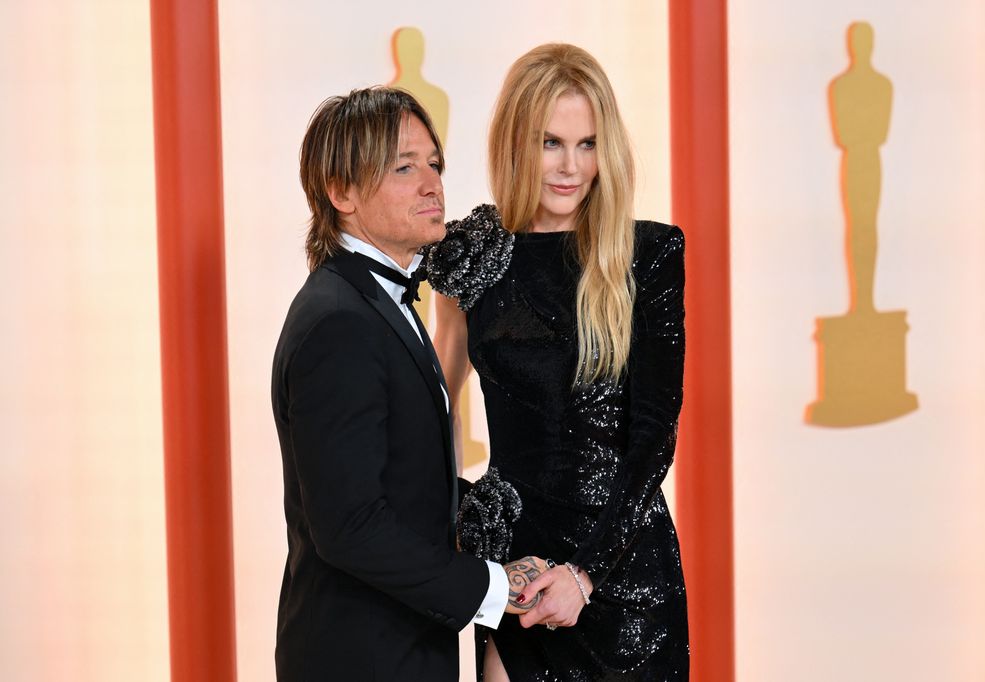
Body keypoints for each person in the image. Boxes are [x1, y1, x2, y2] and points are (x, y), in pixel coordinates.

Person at [427, 44, 690, 680]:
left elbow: (654, 436)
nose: (571, 167)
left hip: (624, 577)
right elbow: (432, 411)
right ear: (518, 141)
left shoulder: (646, 255)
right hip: (518, 575)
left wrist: (586, 573)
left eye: (588, 144)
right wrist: (463, 519)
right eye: (551, 143)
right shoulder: (475, 261)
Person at [271, 87, 547, 682]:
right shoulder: (338, 322)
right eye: (404, 167)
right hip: (360, 659)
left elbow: (398, 478)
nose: (432, 184)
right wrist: (494, 588)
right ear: (339, 192)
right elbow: (350, 527)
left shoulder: (377, 304)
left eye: (434, 164)